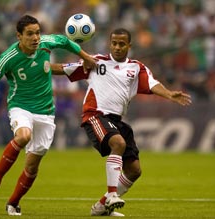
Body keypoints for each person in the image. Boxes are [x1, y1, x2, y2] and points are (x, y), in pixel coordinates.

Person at [0, 14, 96, 216]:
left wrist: (86, 58)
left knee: (32, 167)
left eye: (37, 33)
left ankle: (13, 202)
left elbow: (64, 40)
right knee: (23, 136)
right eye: (30, 34)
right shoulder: (8, 58)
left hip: (46, 112)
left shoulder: (45, 43)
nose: (35, 38)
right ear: (19, 36)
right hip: (21, 106)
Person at [51, 28, 192, 217]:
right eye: (114, 43)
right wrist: (39, 66)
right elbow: (63, 68)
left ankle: (101, 208)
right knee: (118, 143)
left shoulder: (136, 68)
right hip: (95, 115)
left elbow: (152, 84)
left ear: (129, 46)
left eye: (121, 44)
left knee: (134, 170)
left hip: (117, 120)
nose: (117, 47)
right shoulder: (96, 62)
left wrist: (169, 94)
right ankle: (111, 195)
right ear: (110, 44)